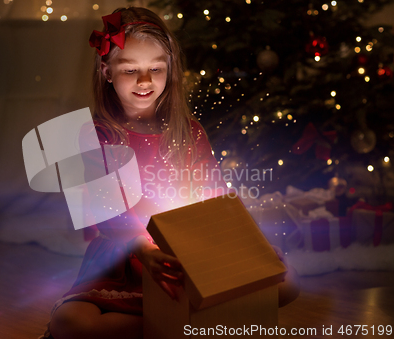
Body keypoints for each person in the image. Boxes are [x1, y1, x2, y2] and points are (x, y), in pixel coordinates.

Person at [40, 7, 299, 339]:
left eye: (155, 69)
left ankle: (181, 322)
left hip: (191, 252)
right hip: (124, 259)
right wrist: (145, 250)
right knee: (72, 323)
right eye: (130, 69)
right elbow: (105, 214)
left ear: (170, 70)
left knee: (289, 282)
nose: (145, 81)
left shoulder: (189, 131)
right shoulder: (93, 135)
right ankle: (193, 324)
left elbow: (217, 199)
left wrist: (250, 247)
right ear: (106, 71)